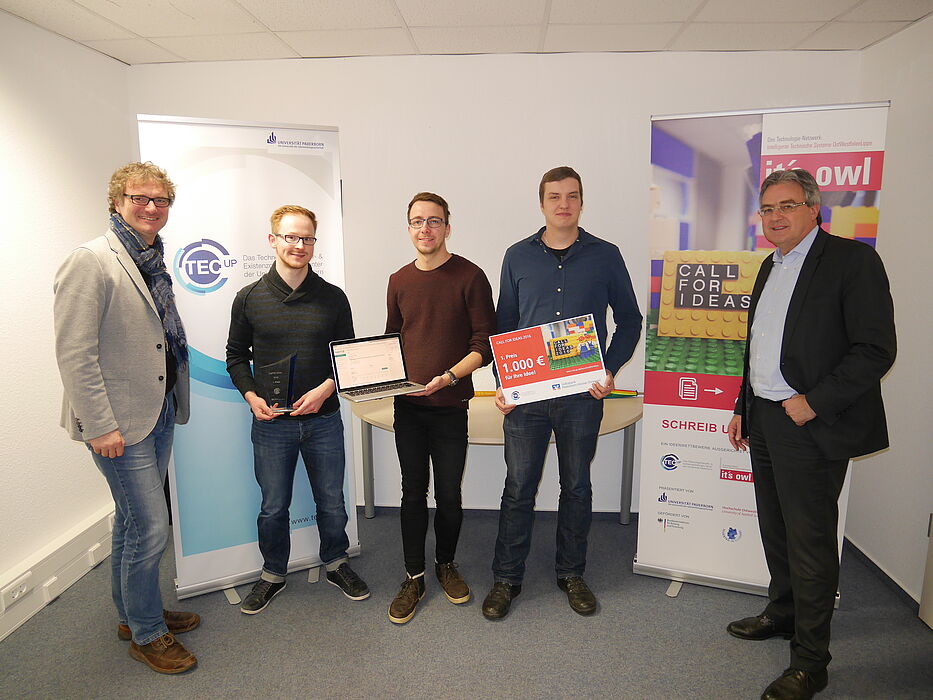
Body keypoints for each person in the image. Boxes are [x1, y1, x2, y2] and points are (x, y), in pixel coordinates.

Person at [727, 169, 896, 700]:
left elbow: (875, 349)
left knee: (810, 542)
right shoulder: (767, 268)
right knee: (777, 530)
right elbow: (758, 348)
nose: (776, 217)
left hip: (810, 422)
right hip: (766, 418)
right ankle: (782, 615)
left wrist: (812, 403)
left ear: (813, 208)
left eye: (788, 206)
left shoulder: (853, 261)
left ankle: (811, 661)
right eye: (768, 209)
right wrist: (743, 406)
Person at [54, 162, 199, 674]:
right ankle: (147, 633)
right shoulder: (90, 260)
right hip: (118, 421)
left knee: (133, 522)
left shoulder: (151, 257)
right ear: (116, 201)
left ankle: (131, 614)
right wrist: (100, 426)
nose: (152, 208)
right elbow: (75, 354)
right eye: (140, 198)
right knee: (152, 526)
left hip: (155, 409)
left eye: (161, 201)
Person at [483, 166, 642, 620]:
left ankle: (571, 573)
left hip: (581, 396)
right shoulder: (517, 256)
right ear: (542, 203)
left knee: (576, 486)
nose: (563, 204)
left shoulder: (605, 255)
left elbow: (630, 320)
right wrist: (504, 383)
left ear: (581, 203)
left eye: (572, 196)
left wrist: (610, 369)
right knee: (518, 488)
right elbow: (504, 326)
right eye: (554, 196)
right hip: (527, 397)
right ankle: (506, 578)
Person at [226, 205, 369, 614]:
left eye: (307, 238)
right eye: (290, 237)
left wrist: (326, 390)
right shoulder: (249, 298)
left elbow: (346, 359)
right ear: (273, 240)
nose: (299, 245)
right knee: (273, 506)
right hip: (272, 425)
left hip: (323, 422)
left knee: (332, 501)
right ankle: (272, 573)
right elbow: (236, 357)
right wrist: (252, 398)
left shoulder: (333, 298)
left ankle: (336, 562)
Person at [384, 192, 496, 624]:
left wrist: (448, 376)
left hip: (450, 405)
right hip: (407, 407)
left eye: (434, 221)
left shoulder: (470, 276)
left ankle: (445, 564)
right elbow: (392, 339)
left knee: (448, 494)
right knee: (412, 493)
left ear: (448, 227)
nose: (425, 229)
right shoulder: (398, 279)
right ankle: (414, 576)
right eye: (417, 221)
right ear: (408, 228)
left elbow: (483, 345)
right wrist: (375, 375)